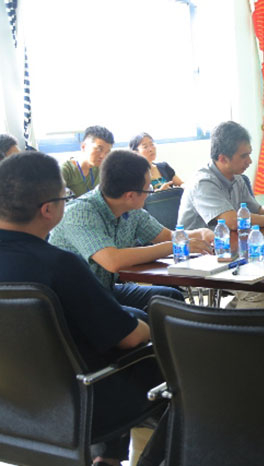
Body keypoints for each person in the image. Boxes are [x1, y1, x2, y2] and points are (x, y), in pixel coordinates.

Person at [0, 151, 163, 466]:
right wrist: (146, 325)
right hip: (80, 406)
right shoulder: (59, 265)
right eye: (65, 197)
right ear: (48, 210)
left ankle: (110, 459)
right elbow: (129, 337)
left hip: (11, 407)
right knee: (172, 367)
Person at [49, 150, 214, 314]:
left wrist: (199, 234)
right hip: (75, 301)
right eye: (148, 190)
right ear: (130, 195)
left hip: (104, 290)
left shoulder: (132, 210)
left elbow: (166, 236)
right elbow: (112, 261)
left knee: (170, 297)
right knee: (139, 319)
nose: (149, 195)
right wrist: (173, 246)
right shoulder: (80, 213)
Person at [178, 120, 264, 231]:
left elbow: (258, 211)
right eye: (244, 156)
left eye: (249, 154)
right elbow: (232, 221)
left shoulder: (237, 177)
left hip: (228, 244)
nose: (250, 161)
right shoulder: (203, 183)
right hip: (198, 248)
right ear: (223, 159)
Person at [61, 125, 114, 197]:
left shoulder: (102, 168)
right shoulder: (66, 170)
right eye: (99, 149)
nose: (103, 156)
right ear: (83, 147)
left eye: (107, 152)